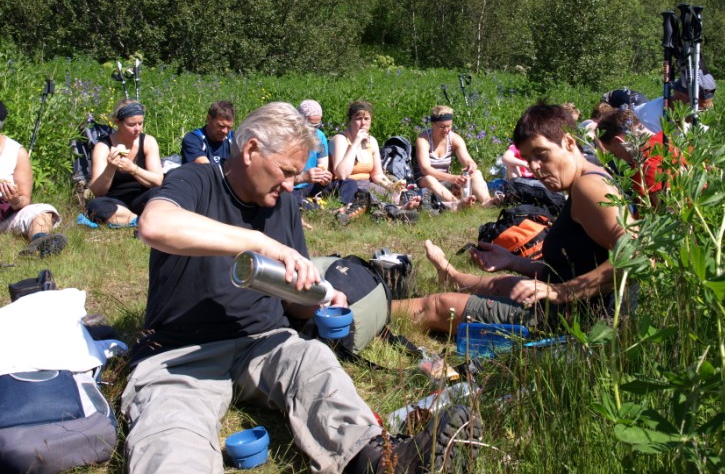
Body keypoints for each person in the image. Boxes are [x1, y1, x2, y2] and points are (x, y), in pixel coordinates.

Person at [125, 102, 481, 474]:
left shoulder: (281, 203)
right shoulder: (195, 180)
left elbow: (294, 307)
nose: (290, 185)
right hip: (181, 353)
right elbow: (155, 225)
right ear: (250, 151)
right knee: (173, 436)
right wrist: (259, 243)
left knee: (316, 364)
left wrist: (316, 297)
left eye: (295, 175)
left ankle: (379, 461)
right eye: (285, 172)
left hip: (264, 342)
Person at [393, 103, 635, 334]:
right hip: (574, 304)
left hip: (577, 320)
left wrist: (562, 292)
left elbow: (637, 254)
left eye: (541, 154)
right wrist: (512, 261)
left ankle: (371, 310)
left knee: (437, 305)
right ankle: (452, 277)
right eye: (529, 159)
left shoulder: (588, 187)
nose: (535, 167)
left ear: (569, 142)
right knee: (502, 284)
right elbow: (572, 269)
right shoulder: (588, 178)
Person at [329, 100, 420, 224]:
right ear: (350, 121)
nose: (363, 123)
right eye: (358, 119)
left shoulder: (371, 141)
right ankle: (393, 211)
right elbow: (342, 174)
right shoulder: (340, 139)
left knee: (401, 195)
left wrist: (392, 187)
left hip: (367, 184)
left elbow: (377, 174)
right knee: (368, 197)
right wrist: (355, 143)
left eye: (366, 119)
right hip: (348, 187)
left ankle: (399, 209)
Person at [0, 100, 67, 257]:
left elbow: (24, 199)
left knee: (43, 211)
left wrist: (15, 200)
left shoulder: (16, 152)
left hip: (5, 213)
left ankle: (40, 242)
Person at [85, 99, 163, 227]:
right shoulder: (103, 147)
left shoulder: (148, 142)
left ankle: (130, 219)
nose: (137, 129)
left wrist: (133, 169)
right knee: (95, 206)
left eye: (140, 123)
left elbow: (158, 180)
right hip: (115, 200)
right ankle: (140, 220)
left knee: (163, 193)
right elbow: (98, 192)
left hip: (142, 197)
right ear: (117, 122)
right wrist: (111, 167)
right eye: (131, 125)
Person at [595, 109, 685, 212]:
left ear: (618, 141)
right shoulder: (669, 139)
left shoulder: (645, 163)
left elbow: (670, 212)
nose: (617, 158)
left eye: (614, 153)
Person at [414, 105, 492, 207]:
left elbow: (467, 160)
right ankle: (457, 204)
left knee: (477, 173)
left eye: (449, 126)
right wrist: (452, 178)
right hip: (425, 181)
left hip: (446, 180)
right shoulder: (423, 140)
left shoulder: (454, 138)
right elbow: (426, 169)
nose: (446, 130)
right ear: (433, 125)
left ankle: (487, 201)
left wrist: (470, 166)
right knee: (429, 179)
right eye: (442, 127)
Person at [293, 99, 358, 208]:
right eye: (310, 125)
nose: (313, 129)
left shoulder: (319, 137)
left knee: (349, 183)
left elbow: (323, 165)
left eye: (317, 125)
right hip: (292, 186)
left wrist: (325, 178)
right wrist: (303, 177)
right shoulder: (288, 138)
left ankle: (344, 207)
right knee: (289, 197)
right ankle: (315, 208)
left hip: (311, 185)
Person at [181, 100, 235, 165]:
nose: (225, 131)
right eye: (221, 126)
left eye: (229, 127)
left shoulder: (233, 138)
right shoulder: (193, 140)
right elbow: (207, 169)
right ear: (209, 119)